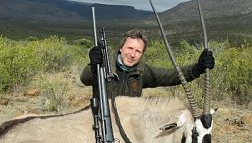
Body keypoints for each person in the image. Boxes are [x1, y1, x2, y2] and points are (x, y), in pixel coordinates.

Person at [80, 29, 214, 97]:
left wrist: (198, 68)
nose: (132, 54)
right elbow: (85, 78)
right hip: (104, 122)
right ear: (121, 48)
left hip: (129, 124)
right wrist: (94, 66)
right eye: (130, 48)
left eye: (138, 51)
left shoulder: (141, 71)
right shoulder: (105, 64)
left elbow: (170, 76)